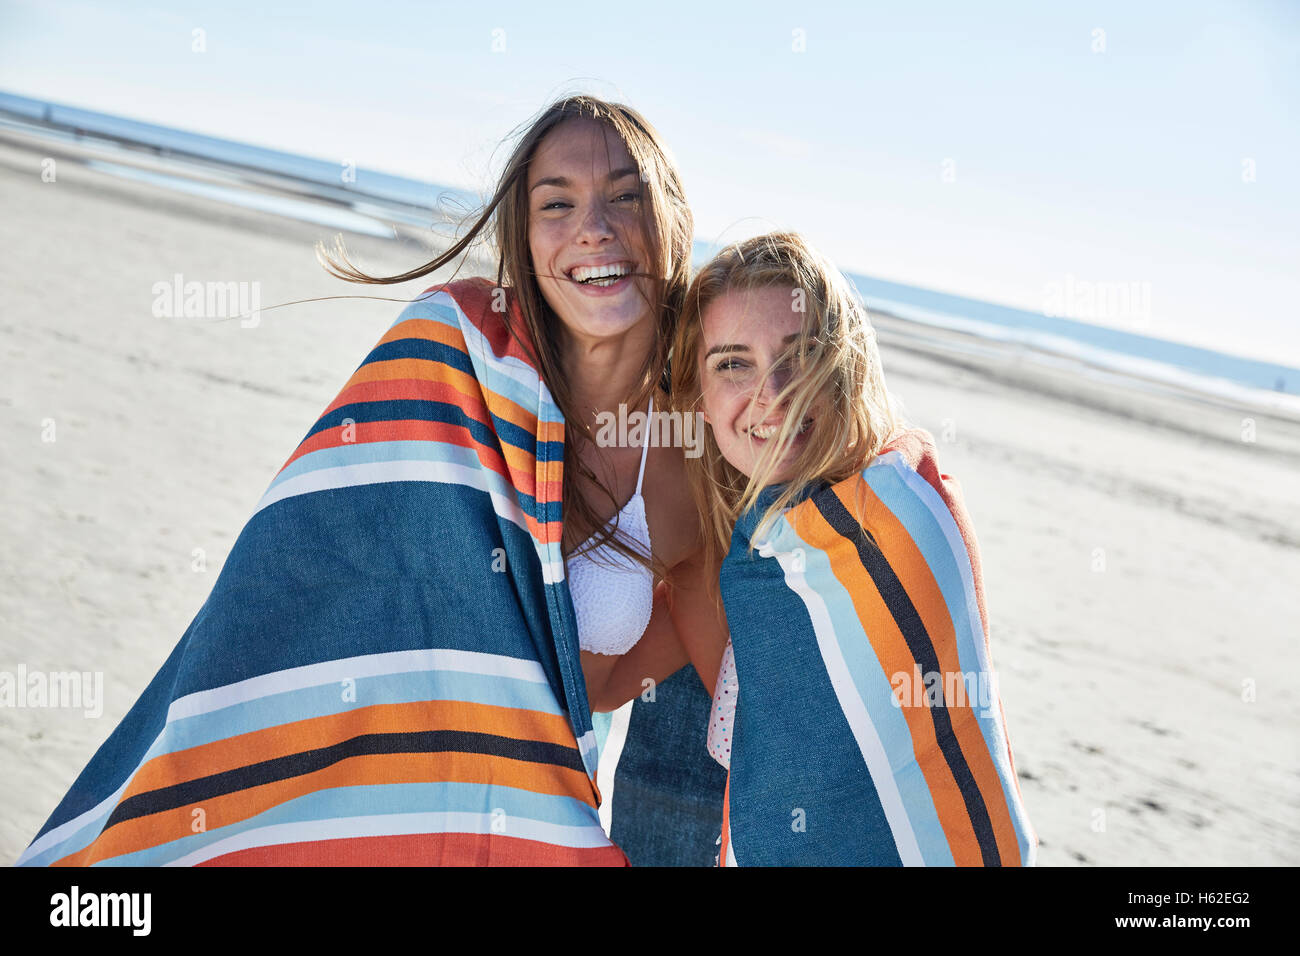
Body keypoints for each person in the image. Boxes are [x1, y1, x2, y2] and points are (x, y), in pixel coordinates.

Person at [18, 95, 721, 867]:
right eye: (558, 203)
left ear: (671, 221)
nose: (595, 226)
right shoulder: (452, 357)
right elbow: (290, 579)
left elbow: (603, 682)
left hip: (517, 824)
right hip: (357, 798)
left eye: (627, 195)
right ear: (523, 241)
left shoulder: (689, 463)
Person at [667, 231, 1038, 865]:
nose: (774, 390)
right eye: (733, 363)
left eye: (799, 354)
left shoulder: (897, 515)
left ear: (843, 362)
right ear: (697, 397)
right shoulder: (749, 559)